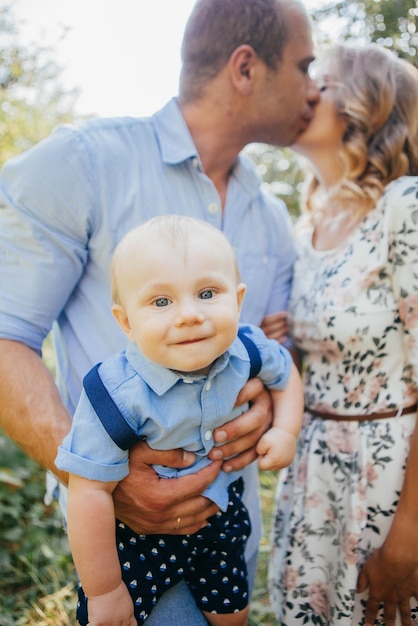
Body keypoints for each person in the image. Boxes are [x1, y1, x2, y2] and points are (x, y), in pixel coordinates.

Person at [0, 0, 318, 622]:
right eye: (305, 67)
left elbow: (271, 350)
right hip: (118, 543)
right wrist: (105, 481)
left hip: (229, 523)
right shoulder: (80, 164)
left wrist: (265, 410)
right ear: (246, 68)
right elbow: (5, 337)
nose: (315, 88)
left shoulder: (273, 215)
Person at [56, 215, 304, 626]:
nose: (189, 314)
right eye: (161, 301)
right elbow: (89, 491)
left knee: (231, 615)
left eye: (207, 293)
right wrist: (104, 590)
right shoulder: (117, 392)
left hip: (220, 516)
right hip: (138, 539)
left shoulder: (247, 349)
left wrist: (285, 429)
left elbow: (285, 374)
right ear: (126, 322)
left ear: (238, 301)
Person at [267, 43, 418, 626]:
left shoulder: (404, 208)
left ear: (364, 105)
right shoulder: (308, 224)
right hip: (315, 477)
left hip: (390, 479)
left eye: (319, 82)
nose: (303, 92)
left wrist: (408, 529)